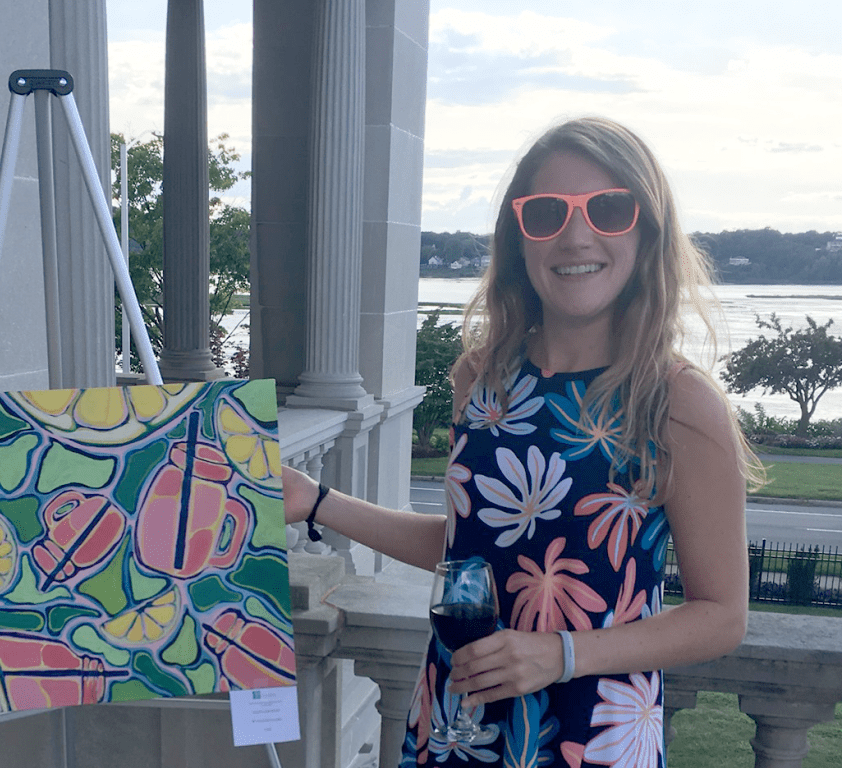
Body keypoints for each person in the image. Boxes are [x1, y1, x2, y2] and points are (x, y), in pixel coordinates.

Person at [283, 115, 760, 767]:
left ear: (646, 229)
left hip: (588, 736)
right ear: (519, 235)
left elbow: (722, 615)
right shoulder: (483, 377)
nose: (576, 235)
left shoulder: (675, 401)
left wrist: (561, 654)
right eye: (546, 213)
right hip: (458, 719)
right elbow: (471, 547)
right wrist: (316, 499)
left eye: (608, 208)